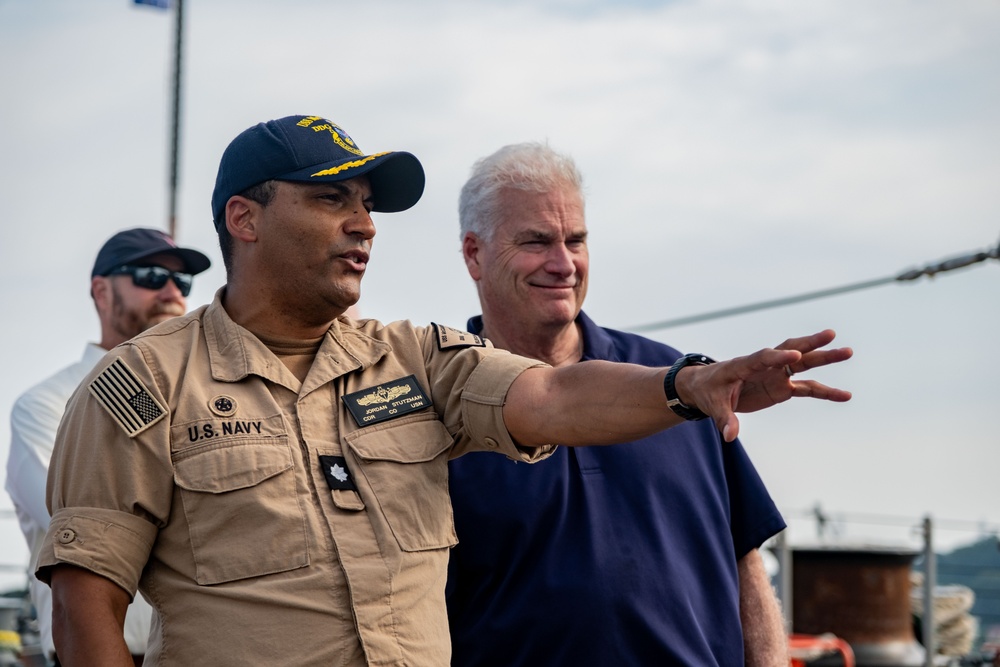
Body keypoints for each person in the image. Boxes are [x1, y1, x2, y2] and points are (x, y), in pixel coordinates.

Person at [34, 115, 851, 667]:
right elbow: (85, 607)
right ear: (244, 218)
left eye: (365, 203)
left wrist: (686, 383)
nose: (364, 223)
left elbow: (555, 396)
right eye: (331, 199)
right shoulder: (137, 387)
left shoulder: (416, 362)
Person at [445, 142, 793, 666]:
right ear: (475, 253)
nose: (563, 263)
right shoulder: (439, 408)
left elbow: (743, 560)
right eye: (537, 241)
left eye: (576, 240)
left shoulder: (678, 382)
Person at [6, 227, 211, 666]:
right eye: (151, 275)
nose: (173, 291)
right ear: (100, 290)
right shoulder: (44, 406)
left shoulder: (208, 401)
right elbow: (83, 525)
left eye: (183, 281)